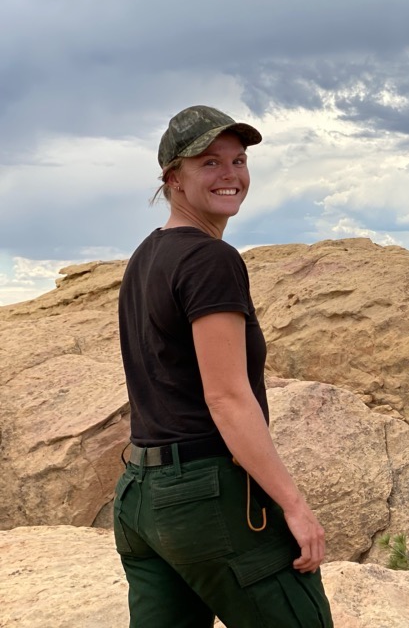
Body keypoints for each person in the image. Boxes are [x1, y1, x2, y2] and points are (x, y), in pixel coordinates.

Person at [112, 105, 334, 627]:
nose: (230, 175)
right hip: (204, 496)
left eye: (238, 161)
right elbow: (226, 396)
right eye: (209, 163)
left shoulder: (146, 256)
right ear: (174, 179)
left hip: (142, 499)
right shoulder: (211, 260)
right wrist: (294, 506)